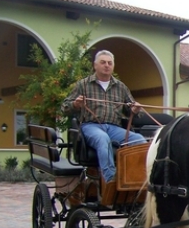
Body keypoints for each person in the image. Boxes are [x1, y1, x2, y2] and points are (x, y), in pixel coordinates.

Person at [62, 50, 147, 184]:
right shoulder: (83, 84)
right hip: (90, 126)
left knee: (140, 140)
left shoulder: (121, 87)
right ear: (95, 65)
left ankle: (135, 178)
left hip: (114, 128)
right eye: (103, 62)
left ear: (113, 66)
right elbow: (64, 107)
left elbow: (133, 110)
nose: (106, 65)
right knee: (103, 139)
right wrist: (76, 104)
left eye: (109, 63)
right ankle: (110, 181)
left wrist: (135, 109)